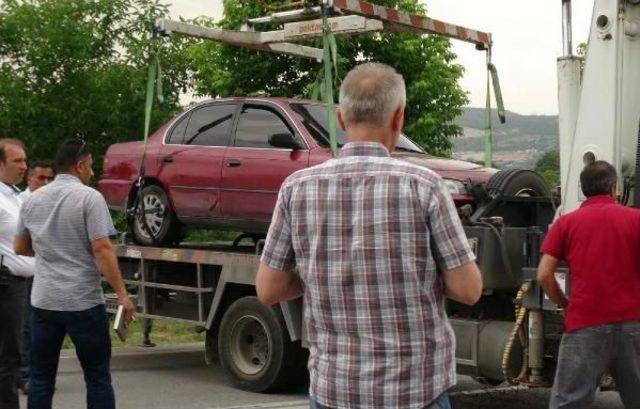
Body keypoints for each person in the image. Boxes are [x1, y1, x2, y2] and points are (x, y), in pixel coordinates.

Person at [256, 62, 482, 409]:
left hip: (334, 391)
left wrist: (319, 274)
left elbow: (269, 289)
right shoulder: (425, 186)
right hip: (415, 392)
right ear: (399, 118)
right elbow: (468, 290)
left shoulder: (296, 189)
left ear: (341, 120)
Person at [14, 139, 136, 409]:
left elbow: (20, 246)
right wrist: (122, 295)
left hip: (44, 302)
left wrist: (51, 250)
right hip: (82, 302)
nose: (92, 173)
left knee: (42, 378)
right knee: (97, 377)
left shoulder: (33, 200)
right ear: (80, 166)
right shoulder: (89, 198)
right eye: (91, 167)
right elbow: (102, 248)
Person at [537, 160, 640, 409]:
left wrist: (564, 303)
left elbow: (543, 275)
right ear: (614, 188)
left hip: (585, 324)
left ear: (583, 190)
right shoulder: (636, 219)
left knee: (569, 402)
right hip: (634, 324)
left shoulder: (565, 223)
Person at [0, 138, 35, 409]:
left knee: (13, 355)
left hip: (20, 284)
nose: (24, 166)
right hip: (5, 283)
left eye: (25, 160)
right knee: (8, 358)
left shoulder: (13, 195)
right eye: (17, 161)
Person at [17, 161, 53, 395]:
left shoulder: (50, 202)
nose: (46, 183)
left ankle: (35, 373)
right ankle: (25, 374)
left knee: (40, 325)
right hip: (19, 274)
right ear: (29, 178)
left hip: (43, 272)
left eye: (50, 179)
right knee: (25, 327)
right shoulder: (19, 201)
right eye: (41, 178)